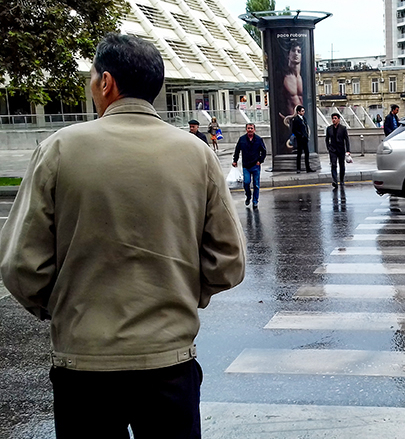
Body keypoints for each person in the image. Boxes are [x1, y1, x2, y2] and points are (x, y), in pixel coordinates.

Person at [0, 34, 246, 439]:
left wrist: (58, 306)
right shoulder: (196, 153)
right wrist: (185, 293)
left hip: (85, 364)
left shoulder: (59, 149)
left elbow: (20, 263)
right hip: (169, 361)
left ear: (106, 82)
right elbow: (229, 261)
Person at [233, 123, 267, 208]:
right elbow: (237, 150)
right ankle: (248, 196)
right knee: (246, 182)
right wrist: (235, 161)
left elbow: (264, 152)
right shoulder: (242, 139)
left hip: (256, 165)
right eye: (248, 128)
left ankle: (255, 201)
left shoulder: (259, 139)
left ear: (254, 130)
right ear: (246, 129)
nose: (250, 130)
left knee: (256, 184)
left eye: (251, 128)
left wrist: (260, 161)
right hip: (246, 166)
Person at [325, 112, 351, 189]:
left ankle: (342, 180)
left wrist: (348, 150)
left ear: (339, 119)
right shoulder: (329, 129)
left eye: (335, 118)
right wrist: (328, 148)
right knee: (333, 165)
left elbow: (346, 140)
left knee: (341, 165)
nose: (334, 120)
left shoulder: (343, 128)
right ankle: (335, 181)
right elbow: (327, 139)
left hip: (341, 149)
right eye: (333, 118)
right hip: (332, 150)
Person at [281, 40, 304, 122]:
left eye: (299, 51)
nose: (296, 54)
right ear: (288, 54)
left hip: (302, 120)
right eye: (293, 50)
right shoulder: (284, 76)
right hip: (289, 121)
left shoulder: (303, 77)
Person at [291, 105, 313, 173]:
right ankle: (298, 168)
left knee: (307, 153)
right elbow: (294, 130)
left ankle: (308, 168)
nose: (303, 112)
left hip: (305, 139)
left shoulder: (304, 119)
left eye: (303, 111)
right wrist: (300, 135)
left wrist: (306, 135)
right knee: (299, 153)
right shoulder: (296, 120)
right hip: (300, 139)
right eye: (302, 111)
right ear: (298, 112)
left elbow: (305, 127)